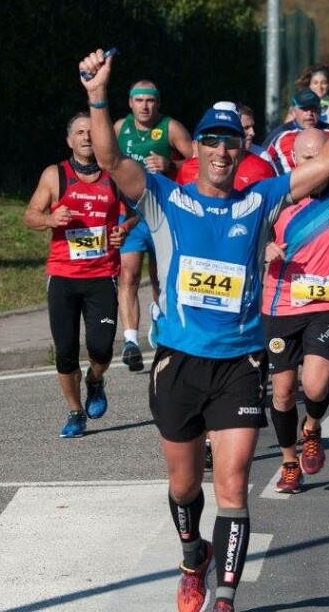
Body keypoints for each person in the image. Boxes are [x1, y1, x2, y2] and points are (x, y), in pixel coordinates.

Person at [78, 47, 329, 612]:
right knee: (183, 486)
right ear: (198, 149)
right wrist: (97, 95)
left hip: (240, 365)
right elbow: (109, 158)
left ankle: (225, 607)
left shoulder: (259, 199)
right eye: (212, 141)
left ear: (241, 151)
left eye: (230, 142)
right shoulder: (164, 197)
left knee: (234, 484)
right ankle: (193, 555)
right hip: (179, 364)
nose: (221, 150)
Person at [262, 129, 329, 493]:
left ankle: (311, 426)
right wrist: (264, 248)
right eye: (308, 158)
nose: (316, 164)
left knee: (316, 385)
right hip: (280, 303)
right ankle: (289, 463)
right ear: (294, 160)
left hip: (327, 303)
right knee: (282, 392)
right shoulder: (275, 195)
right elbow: (247, 235)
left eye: (323, 156)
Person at [22, 111, 128, 438]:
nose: (86, 137)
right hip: (63, 276)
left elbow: (139, 207)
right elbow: (30, 215)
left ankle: (95, 380)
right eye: (79, 132)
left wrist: (124, 228)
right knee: (65, 351)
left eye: (91, 131)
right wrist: (50, 220)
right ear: (69, 140)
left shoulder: (115, 173)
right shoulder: (55, 175)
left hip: (102, 274)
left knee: (102, 348)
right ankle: (75, 411)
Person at [114, 80, 193, 371]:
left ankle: (161, 320)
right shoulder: (120, 128)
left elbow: (198, 163)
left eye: (150, 100)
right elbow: (105, 160)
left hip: (162, 215)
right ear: (130, 103)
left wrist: (171, 165)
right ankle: (130, 341)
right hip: (130, 214)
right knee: (128, 275)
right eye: (139, 100)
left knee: (162, 279)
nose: (145, 106)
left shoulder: (171, 128)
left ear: (158, 103)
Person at [175, 101, 276, 190]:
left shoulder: (262, 166)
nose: (221, 152)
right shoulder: (186, 169)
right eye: (211, 140)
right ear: (196, 146)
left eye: (232, 140)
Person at [263, 88, 329, 174]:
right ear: (293, 111)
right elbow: (263, 162)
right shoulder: (278, 135)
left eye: (313, 108)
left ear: (319, 110)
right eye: (304, 108)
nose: (309, 113)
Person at [297, 63, 329, 129]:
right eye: (315, 83)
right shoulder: (299, 102)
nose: (319, 87)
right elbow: (288, 127)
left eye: (324, 83)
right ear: (309, 85)